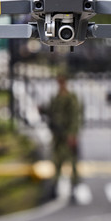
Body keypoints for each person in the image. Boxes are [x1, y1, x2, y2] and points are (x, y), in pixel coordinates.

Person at [45, 70, 83, 204]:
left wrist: (72, 134)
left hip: (68, 134)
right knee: (57, 161)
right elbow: (51, 112)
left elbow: (75, 117)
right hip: (58, 136)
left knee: (72, 163)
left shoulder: (70, 98)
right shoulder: (56, 97)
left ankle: (74, 189)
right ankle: (54, 188)